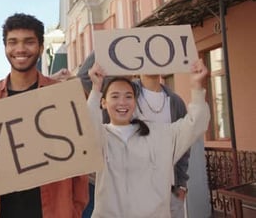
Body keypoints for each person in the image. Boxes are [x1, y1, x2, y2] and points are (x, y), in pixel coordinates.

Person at [0, 13, 89, 218]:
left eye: (29, 42)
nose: (20, 49)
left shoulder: (61, 96)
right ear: (5, 48)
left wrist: (73, 210)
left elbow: (79, 168)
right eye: (13, 42)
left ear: (41, 47)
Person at [86, 59, 210, 217]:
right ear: (103, 103)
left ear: (135, 102)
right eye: (115, 96)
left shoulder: (161, 135)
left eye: (128, 96)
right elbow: (87, 126)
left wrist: (197, 87)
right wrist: (96, 88)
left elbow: (196, 124)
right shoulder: (101, 138)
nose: (122, 102)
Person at [135, 74, 190, 218]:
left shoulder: (176, 102)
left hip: (170, 190)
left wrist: (182, 184)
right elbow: (85, 78)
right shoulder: (127, 95)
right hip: (136, 192)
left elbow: (184, 144)